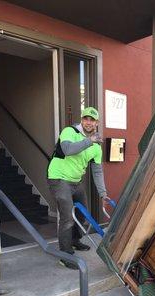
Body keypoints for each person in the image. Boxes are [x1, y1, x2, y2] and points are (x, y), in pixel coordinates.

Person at [47, 107, 109, 269]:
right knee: (67, 217)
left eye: (92, 120)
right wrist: (90, 140)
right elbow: (68, 150)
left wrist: (103, 193)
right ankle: (65, 255)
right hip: (59, 178)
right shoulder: (69, 132)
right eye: (85, 119)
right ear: (82, 120)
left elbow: (97, 171)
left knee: (82, 213)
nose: (88, 122)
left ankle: (74, 241)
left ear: (96, 123)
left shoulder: (96, 147)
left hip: (75, 181)